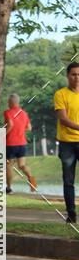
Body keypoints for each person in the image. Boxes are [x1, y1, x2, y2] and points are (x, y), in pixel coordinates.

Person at [54, 62, 79, 224]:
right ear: (67, 76)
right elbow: (63, 119)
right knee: (68, 181)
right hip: (67, 144)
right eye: (73, 74)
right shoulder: (60, 94)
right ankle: (71, 214)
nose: (77, 78)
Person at [3, 93, 37, 194]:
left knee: (8, 165)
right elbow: (29, 128)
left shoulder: (7, 112)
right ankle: (32, 180)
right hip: (22, 143)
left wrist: (2, 134)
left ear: (11, 102)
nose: (8, 103)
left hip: (10, 143)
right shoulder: (24, 113)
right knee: (22, 165)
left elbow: (10, 124)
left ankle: (8, 188)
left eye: (8, 102)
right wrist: (20, 130)